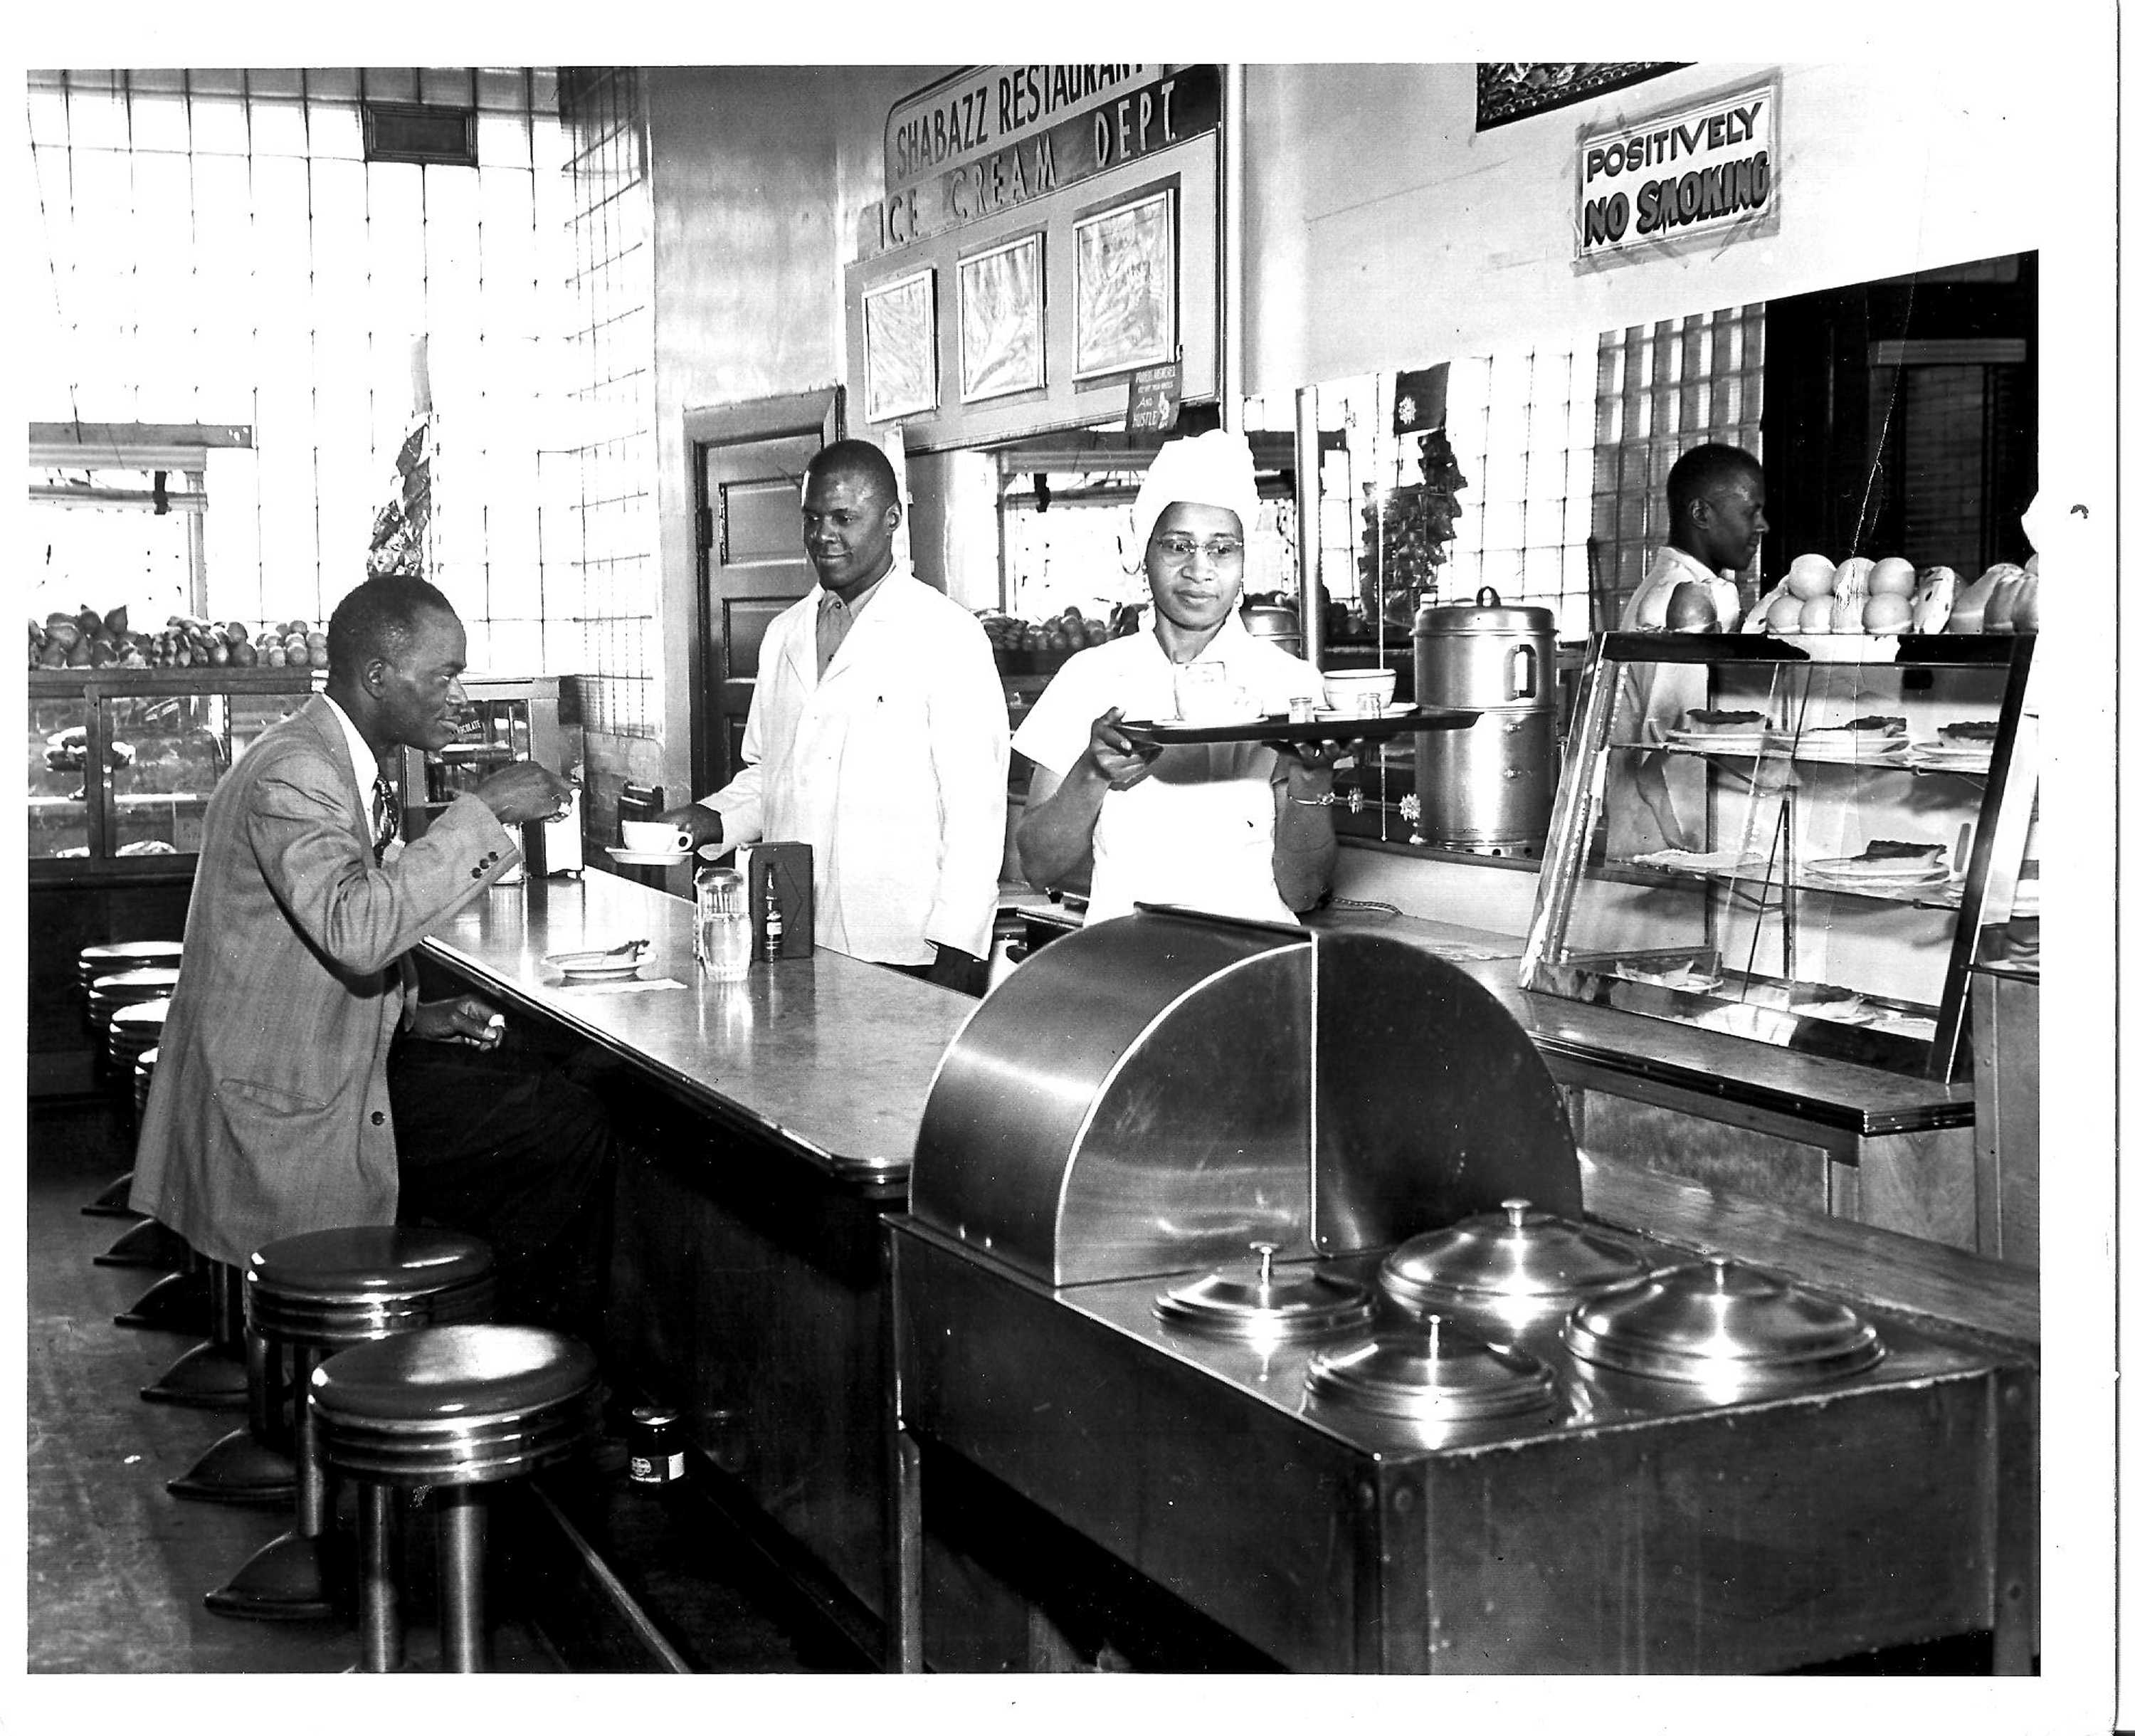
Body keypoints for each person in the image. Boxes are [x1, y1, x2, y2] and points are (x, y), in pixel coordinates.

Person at [130, 574, 614, 1343]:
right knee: (563, 1127)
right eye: (445, 675)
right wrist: (487, 813)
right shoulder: (298, 771)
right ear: (377, 678)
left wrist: (418, 1017)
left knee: (544, 1094)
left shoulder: (336, 755)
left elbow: (312, 947)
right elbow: (355, 928)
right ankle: (511, 1362)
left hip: (308, 1067)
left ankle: (467, 1345)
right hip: (280, 1106)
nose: (459, 696)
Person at [660, 439, 1007, 995]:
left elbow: (976, 810)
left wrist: (960, 945)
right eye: (813, 517)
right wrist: (709, 818)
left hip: (906, 945)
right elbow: (769, 774)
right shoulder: (784, 635)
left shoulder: (946, 634)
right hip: (790, 931)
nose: (824, 534)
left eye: (844, 517)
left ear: (892, 518)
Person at [1013, 427, 1346, 926]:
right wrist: (1092, 772)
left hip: (1249, 969)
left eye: (1221, 549)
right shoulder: (1091, 677)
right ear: (1146, 554)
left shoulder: (1289, 685)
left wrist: (1311, 778)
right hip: (1124, 967)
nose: (1199, 570)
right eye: (1178, 546)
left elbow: (1302, 891)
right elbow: (1037, 867)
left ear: (1242, 561)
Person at [1612, 443, 1770, 853]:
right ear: (1701, 514)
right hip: (1668, 849)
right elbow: (1672, 746)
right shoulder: (1680, 600)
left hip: (1673, 844)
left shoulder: (1697, 590)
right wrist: (1697, 850)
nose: (1763, 526)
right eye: (1750, 511)